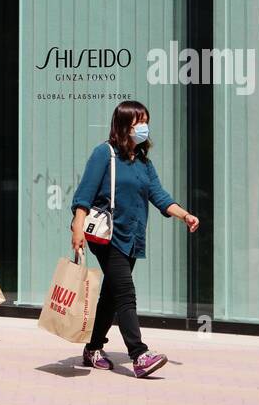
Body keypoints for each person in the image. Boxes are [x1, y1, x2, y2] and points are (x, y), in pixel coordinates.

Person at [71, 101, 199, 377]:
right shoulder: (104, 154)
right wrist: (77, 228)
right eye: (138, 122)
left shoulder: (143, 162)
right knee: (126, 293)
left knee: (111, 295)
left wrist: (184, 215)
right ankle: (139, 355)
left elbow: (159, 196)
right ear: (124, 125)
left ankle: (93, 348)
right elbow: (84, 194)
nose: (144, 127)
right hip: (107, 236)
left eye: (145, 121)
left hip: (132, 236)